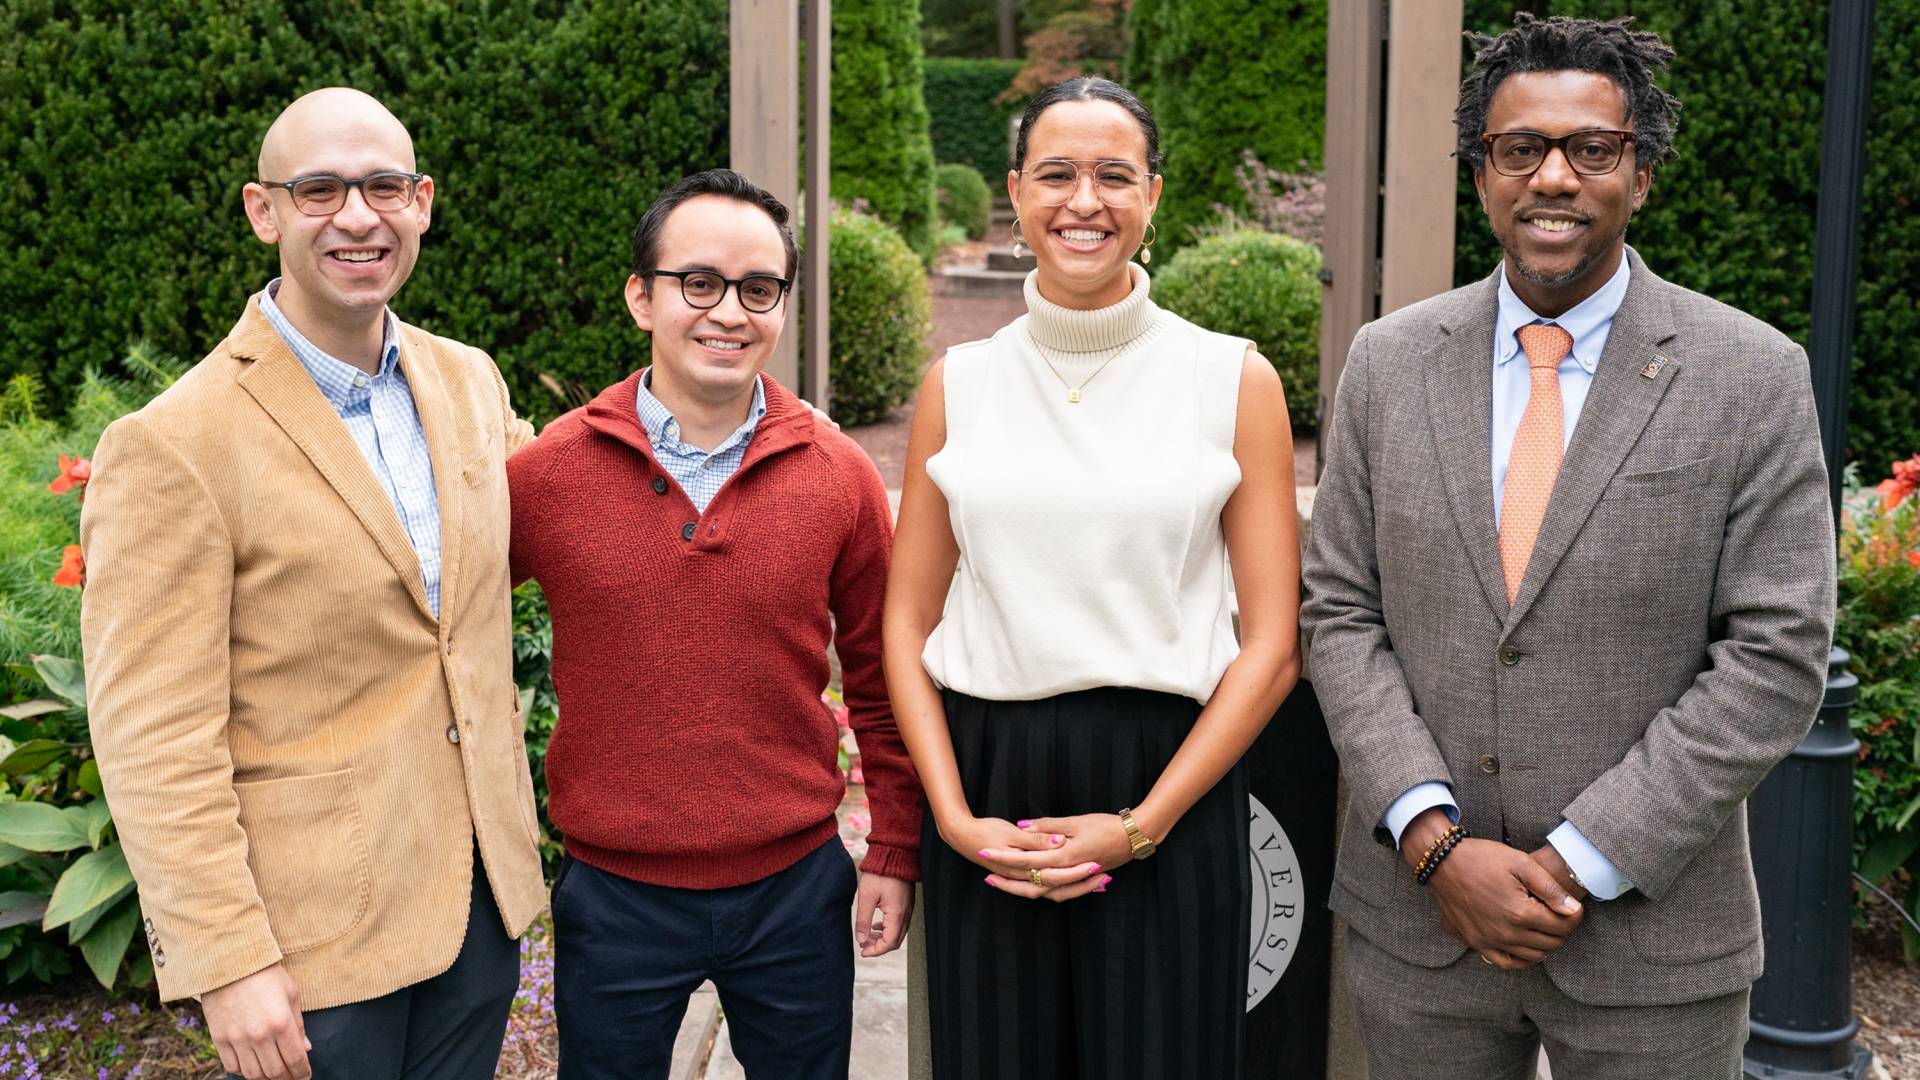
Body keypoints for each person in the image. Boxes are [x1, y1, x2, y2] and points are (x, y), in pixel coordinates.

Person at [1301, 14, 1836, 1079]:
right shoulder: (1388, 363)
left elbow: (1776, 656)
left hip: (1655, 943)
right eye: (1520, 149)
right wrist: (1434, 844)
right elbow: (1340, 611)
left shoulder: (1752, 374)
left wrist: (1581, 860)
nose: (1555, 176)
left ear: (1639, 175)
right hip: (1422, 935)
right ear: (1482, 173)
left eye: (1592, 149)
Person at [79, 88, 546, 1080]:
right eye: (321, 188)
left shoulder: (469, 382)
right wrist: (228, 959)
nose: (357, 215)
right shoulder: (174, 444)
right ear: (266, 211)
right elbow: (155, 738)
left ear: (422, 201)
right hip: (311, 949)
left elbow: (569, 517)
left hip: (478, 907)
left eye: (383, 186)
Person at [883, 77, 1302, 1079]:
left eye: (1114, 176)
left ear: (1152, 196)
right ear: (1017, 190)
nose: (1085, 201)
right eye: (1058, 174)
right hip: (989, 793)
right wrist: (950, 816)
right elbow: (905, 623)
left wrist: (1142, 826)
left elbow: (1275, 644)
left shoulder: (1233, 379)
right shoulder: (961, 385)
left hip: (1170, 788)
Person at [505, 168, 921, 1080]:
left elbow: (883, 675)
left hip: (796, 888)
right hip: (614, 895)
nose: (729, 312)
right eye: (698, 283)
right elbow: (444, 635)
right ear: (641, 297)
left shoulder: (839, 476)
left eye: (758, 289)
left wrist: (891, 844)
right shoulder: (546, 476)